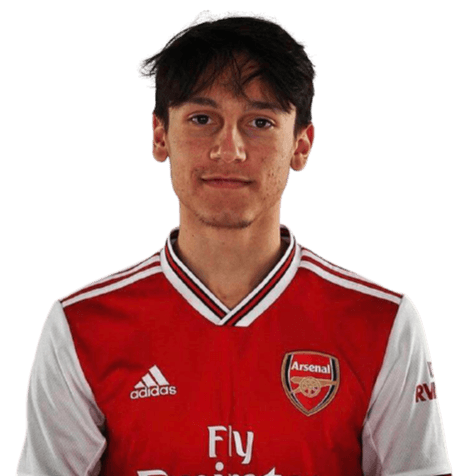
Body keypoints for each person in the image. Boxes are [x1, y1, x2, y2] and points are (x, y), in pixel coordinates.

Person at [16, 10, 452, 476]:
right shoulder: (81, 327)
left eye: (259, 122)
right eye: (202, 118)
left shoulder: (382, 324)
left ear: (301, 145)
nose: (229, 149)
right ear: (160, 136)